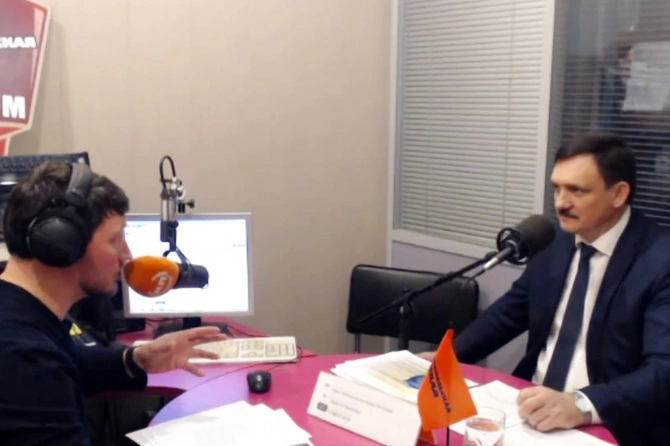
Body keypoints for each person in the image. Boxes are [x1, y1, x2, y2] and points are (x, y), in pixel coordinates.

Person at [420, 132, 670, 446]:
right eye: (557, 188)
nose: (561, 203)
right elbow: (508, 314)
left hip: (609, 424)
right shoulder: (556, 243)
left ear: (618, 194)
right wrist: (446, 359)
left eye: (577, 190)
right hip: (529, 411)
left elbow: (663, 370)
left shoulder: (660, 261)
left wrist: (580, 405)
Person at [0, 161, 226, 445]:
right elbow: (44, 366)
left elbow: (71, 360)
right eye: (115, 239)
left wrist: (136, 359)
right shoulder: (22, 356)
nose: (127, 255)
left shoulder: (23, 314)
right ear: (63, 243)